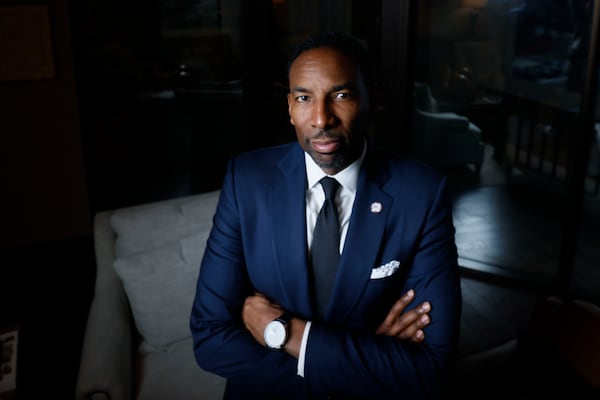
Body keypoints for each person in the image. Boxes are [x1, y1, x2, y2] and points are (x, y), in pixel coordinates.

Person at [190, 31, 462, 399]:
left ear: (373, 99)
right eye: (304, 97)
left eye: (341, 95)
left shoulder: (423, 194)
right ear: (289, 106)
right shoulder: (247, 180)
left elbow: (430, 367)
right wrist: (361, 364)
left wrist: (284, 333)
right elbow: (210, 339)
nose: (321, 118)